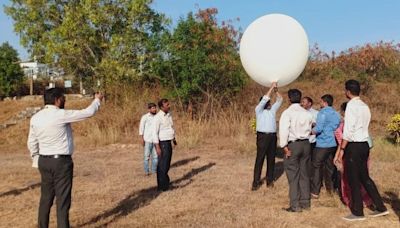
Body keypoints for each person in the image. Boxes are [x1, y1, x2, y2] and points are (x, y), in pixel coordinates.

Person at [27, 88, 103, 228]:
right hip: (60, 161)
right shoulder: (60, 114)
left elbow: (31, 142)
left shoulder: (35, 117)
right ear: (57, 100)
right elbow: (88, 112)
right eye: (63, 98)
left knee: (46, 198)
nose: (64, 101)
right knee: (62, 199)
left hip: (44, 160)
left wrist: (36, 158)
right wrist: (97, 100)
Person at [338, 80, 389, 221]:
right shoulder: (365, 106)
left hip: (353, 145)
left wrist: (342, 149)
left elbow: (348, 130)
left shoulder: (351, 106)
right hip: (364, 145)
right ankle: (380, 207)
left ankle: (357, 212)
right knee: (365, 177)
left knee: (353, 179)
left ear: (348, 91)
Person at [334, 102, 373, 210]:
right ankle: (366, 200)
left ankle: (353, 202)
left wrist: (338, 154)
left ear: (343, 112)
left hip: (349, 153)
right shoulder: (359, 123)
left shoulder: (345, 125)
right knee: (363, 177)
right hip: (363, 151)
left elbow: (342, 142)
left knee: (350, 179)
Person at [279, 89, 313, 212]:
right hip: (306, 144)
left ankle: (295, 205)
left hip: (294, 145)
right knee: (304, 174)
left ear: (289, 99)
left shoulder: (287, 113)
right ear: (300, 98)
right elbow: (311, 126)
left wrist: (284, 147)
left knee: (293, 175)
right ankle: (305, 202)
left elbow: (284, 130)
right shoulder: (307, 113)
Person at [252, 82, 283, 190]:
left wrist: (276, 90)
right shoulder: (258, 110)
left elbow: (280, 100)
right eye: (268, 102)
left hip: (272, 137)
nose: (270, 103)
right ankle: (255, 182)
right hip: (262, 137)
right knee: (260, 159)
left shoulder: (272, 111)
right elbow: (265, 98)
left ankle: (270, 181)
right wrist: (271, 88)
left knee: (271, 159)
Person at [310, 94, 340, 198]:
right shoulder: (336, 114)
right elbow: (336, 125)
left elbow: (319, 129)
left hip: (323, 143)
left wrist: (310, 131)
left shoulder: (322, 113)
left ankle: (315, 191)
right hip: (332, 143)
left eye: (321, 102)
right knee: (329, 166)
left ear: (325, 102)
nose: (320, 104)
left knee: (316, 166)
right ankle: (330, 189)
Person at [153, 98, 177, 191]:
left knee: (166, 164)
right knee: (163, 164)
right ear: (162, 107)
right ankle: (163, 186)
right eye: (167, 105)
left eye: (168, 104)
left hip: (168, 142)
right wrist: (157, 147)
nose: (169, 106)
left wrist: (174, 139)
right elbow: (154, 133)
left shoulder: (169, 115)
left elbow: (171, 127)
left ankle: (163, 184)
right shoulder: (157, 117)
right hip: (162, 143)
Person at [139, 103, 158, 175]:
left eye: (155, 108)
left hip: (156, 140)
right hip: (147, 140)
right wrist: (142, 139)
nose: (154, 109)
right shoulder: (145, 117)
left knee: (156, 157)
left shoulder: (157, 117)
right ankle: (147, 171)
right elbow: (141, 128)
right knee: (146, 157)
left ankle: (154, 171)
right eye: (153, 108)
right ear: (149, 109)